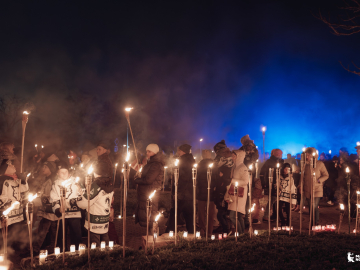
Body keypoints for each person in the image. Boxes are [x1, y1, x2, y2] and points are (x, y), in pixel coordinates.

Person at [71, 161, 114, 246]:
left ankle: (97, 259)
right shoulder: (110, 184)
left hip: (95, 222)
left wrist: (79, 195)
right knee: (105, 244)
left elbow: (84, 203)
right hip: (104, 220)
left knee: (95, 246)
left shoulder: (96, 185)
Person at [50, 161, 82, 251]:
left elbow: (82, 196)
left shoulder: (75, 182)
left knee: (76, 235)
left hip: (74, 214)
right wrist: (57, 209)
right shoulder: (55, 184)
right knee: (61, 236)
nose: (64, 174)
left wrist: (81, 192)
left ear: (69, 172)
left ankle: (76, 253)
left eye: (66, 172)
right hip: (62, 215)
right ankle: (62, 254)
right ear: (57, 173)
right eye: (61, 172)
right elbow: (53, 199)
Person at [166, 144, 195, 234]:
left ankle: (169, 232)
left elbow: (183, 178)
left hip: (183, 192)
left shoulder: (183, 161)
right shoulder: (191, 160)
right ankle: (191, 232)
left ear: (182, 151)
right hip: (189, 192)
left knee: (175, 213)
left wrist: (177, 192)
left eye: (179, 150)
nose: (178, 152)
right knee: (188, 214)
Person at [134, 144, 164, 230]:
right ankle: (150, 235)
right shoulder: (151, 163)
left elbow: (148, 180)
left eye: (149, 151)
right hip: (147, 192)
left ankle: (152, 235)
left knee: (151, 214)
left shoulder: (155, 165)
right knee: (148, 214)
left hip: (150, 192)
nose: (147, 153)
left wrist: (137, 180)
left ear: (154, 152)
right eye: (147, 151)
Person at [34, 161, 59, 253]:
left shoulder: (53, 181)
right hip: (47, 209)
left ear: (51, 169)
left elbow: (51, 195)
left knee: (43, 230)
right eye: (43, 166)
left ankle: (35, 250)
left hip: (50, 210)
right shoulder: (46, 179)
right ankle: (53, 249)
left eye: (46, 167)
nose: (43, 168)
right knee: (52, 231)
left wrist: (42, 197)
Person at [302, 147, 329, 226]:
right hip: (308, 189)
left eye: (309, 155)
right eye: (306, 155)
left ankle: (315, 222)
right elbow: (303, 177)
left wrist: (318, 180)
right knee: (310, 207)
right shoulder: (305, 165)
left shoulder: (320, 164)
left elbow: (326, 175)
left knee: (314, 206)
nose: (307, 157)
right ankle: (312, 222)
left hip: (317, 189)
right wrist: (301, 186)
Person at [224, 150, 248, 234]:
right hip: (234, 193)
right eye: (232, 156)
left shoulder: (243, 168)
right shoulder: (234, 167)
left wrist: (232, 180)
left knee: (233, 216)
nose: (232, 158)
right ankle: (242, 234)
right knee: (239, 216)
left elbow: (246, 181)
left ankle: (240, 233)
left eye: (234, 156)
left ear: (239, 157)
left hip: (240, 194)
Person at [212, 140, 233, 234]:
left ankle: (226, 229)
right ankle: (225, 227)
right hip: (219, 187)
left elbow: (230, 177)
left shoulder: (230, 164)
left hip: (225, 189)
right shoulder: (221, 161)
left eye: (224, 152)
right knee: (221, 211)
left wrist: (222, 176)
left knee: (222, 212)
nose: (221, 154)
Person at [260, 149, 283, 222]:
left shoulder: (281, 162)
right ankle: (266, 215)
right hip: (272, 183)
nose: (281, 156)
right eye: (280, 154)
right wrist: (264, 183)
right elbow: (262, 172)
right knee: (272, 199)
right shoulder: (269, 162)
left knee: (276, 200)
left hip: (278, 182)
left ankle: (275, 215)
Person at [196, 150, 215, 237]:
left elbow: (196, 179)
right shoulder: (214, 165)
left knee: (201, 212)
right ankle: (210, 230)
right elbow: (216, 179)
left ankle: (202, 228)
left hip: (201, 192)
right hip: (211, 192)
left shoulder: (199, 165)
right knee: (210, 213)